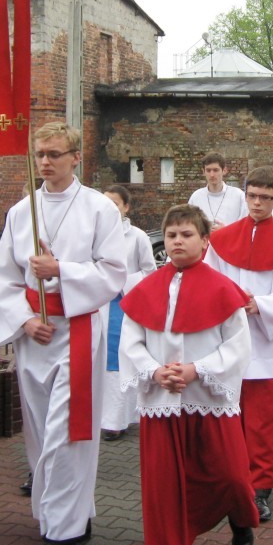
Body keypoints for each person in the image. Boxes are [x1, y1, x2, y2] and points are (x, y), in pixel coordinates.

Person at [0, 122, 127, 545]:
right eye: (39, 155)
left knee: (68, 432)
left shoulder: (99, 209)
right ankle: (69, 516)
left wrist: (61, 270)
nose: (45, 162)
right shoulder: (21, 212)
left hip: (77, 332)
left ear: (76, 157)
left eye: (54, 154)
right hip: (36, 335)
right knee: (38, 430)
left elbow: (114, 272)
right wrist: (25, 320)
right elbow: (3, 276)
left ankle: (61, 534)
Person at [119, 204, 259, 545]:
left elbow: (239, 347)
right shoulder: (147, 288)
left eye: (186, 234)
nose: (177, 241)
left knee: (232, 477)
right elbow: (131, 343)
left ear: (205, 241)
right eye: (171, 235)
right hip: (162, 403)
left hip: (209, 400)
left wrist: (198, 369)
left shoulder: (224, 289)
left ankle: (241, 520)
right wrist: (154, 372)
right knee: (163, 490)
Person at [204, 166, 273, 524]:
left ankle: (260, 489)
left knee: (263, 423)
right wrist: (228, 302)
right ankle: (227, 482)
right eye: (252, 196)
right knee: (225, 417)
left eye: (265, 197)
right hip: (227, 342)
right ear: (244, 195)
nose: (257, 203)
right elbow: (208, 281)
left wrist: (259, 304)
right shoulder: (222, 240)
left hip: (265, 344)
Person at [100, 185, 157, 441]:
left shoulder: (137, 237)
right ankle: (101, 416)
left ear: (126, 207)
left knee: (118, 362)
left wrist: (122, 283)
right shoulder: (94, 233)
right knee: (99, 363)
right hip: (98, 304)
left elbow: (150, 271)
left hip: (123, 305)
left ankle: (117, 420)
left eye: (115, 203)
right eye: (105, 203)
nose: (110, 208)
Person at [187, 152, 246, 231]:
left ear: (224, 170)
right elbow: (189, 225)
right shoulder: (196, 197)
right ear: (203, 172)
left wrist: (226, 231)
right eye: (208, 170)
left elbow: (245, 225)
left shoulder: (238, 195)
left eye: (215, 170)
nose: (212, 174)